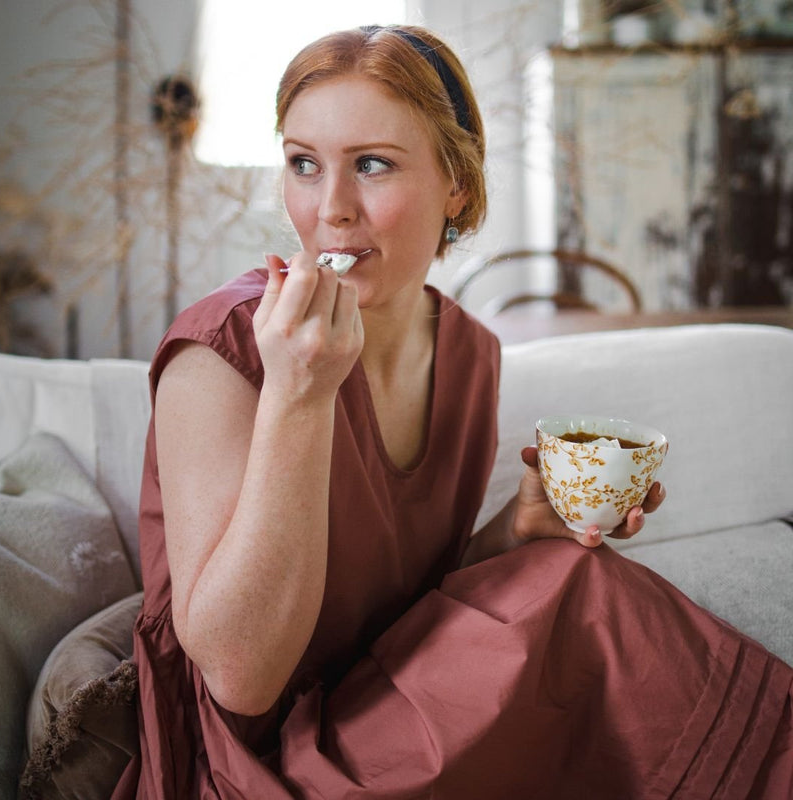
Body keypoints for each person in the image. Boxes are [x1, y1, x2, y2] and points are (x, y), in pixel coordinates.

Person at [113, 24, 792, 799]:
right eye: (304, 164)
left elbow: (405, 607)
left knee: (572, 569)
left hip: (390, 705)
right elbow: (240, 678)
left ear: (457, 185)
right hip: (258, 764)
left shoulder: (468, 351)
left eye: (371, 165)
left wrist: (514, 530)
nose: (330, 208)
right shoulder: (223, 351)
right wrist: (300, 396)